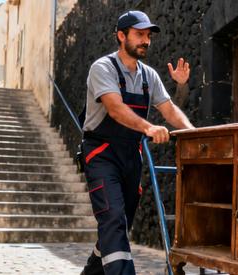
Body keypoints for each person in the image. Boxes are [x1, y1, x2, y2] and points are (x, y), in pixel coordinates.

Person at [80, 10, 195, 275]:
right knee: (113, 220)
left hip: (131, 157)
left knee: (118, 226)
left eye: (148, 36)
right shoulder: (103, 68)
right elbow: (116, 109)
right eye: (139, 35)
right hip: (101, 154)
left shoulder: (149, 76)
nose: (146, 41)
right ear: (121, 36)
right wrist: (148, 127)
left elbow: (169, 109)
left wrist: (193, 132)